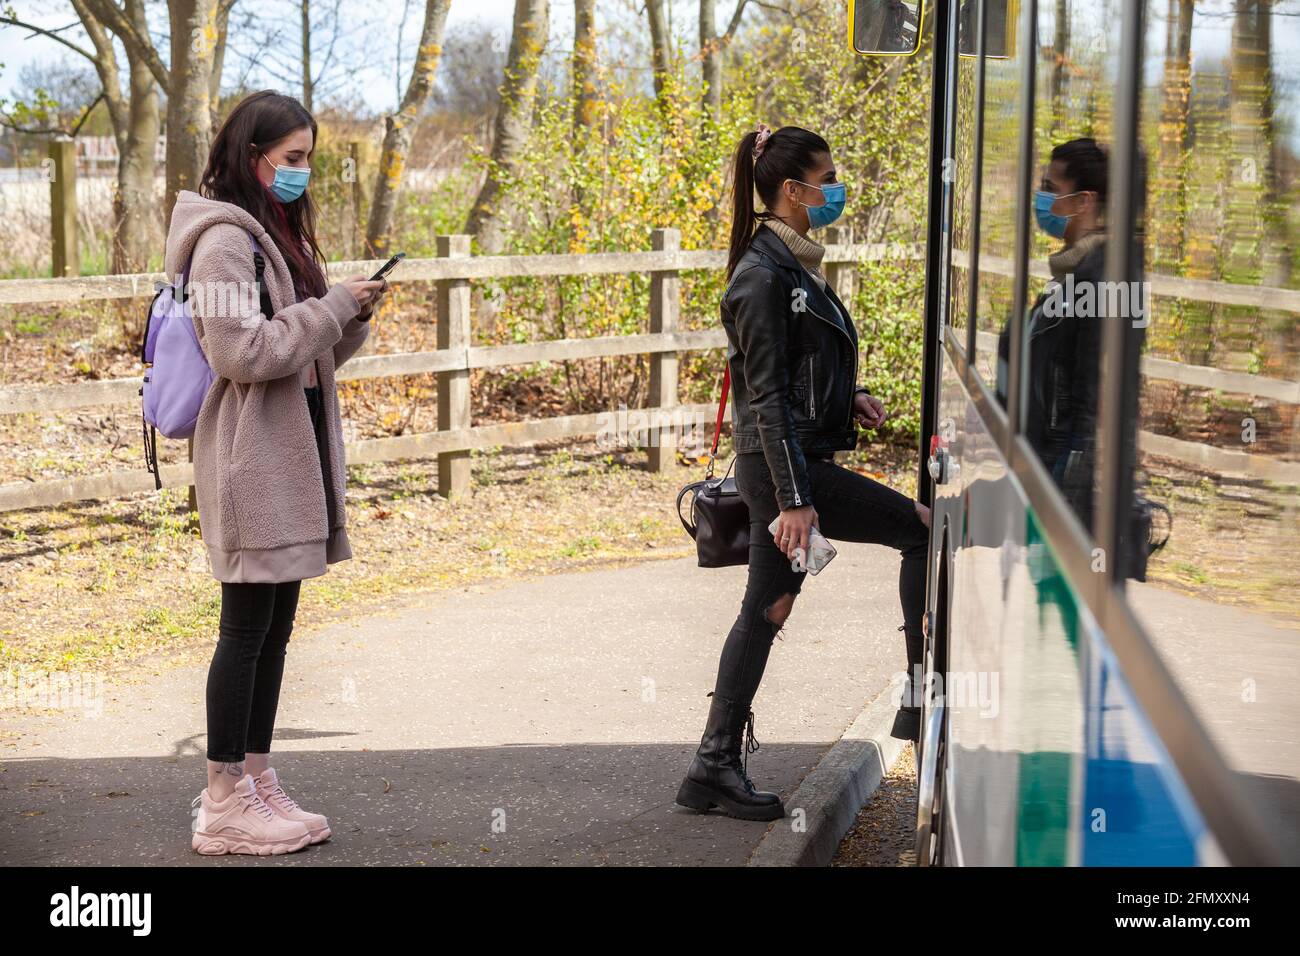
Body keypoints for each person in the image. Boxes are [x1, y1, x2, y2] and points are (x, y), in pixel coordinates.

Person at [675, 125, 931, 822]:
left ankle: (712, 766)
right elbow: (766, 397)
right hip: (782, 471)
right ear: (792, 191)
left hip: (783, 464)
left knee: (768, 608)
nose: (836, 191)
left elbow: (792, 369)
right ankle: (919, 704)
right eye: (828, 179)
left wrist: (845, 395)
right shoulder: (764, 275)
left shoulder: (791, 263)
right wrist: (795, 500)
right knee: (921, 534)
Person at [165, 90, 387, 855]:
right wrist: (328, 308)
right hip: (249, 462)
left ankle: (255, 779)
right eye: (291, 159)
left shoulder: (271, 235)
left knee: (277, 630)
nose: (302, 173)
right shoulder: (223, 242)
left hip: (287, 458)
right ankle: (223, 797)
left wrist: (347, 317)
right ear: (250, 154)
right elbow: (241, 353)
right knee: (246, 629)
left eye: (308, 160)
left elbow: (302, 357)